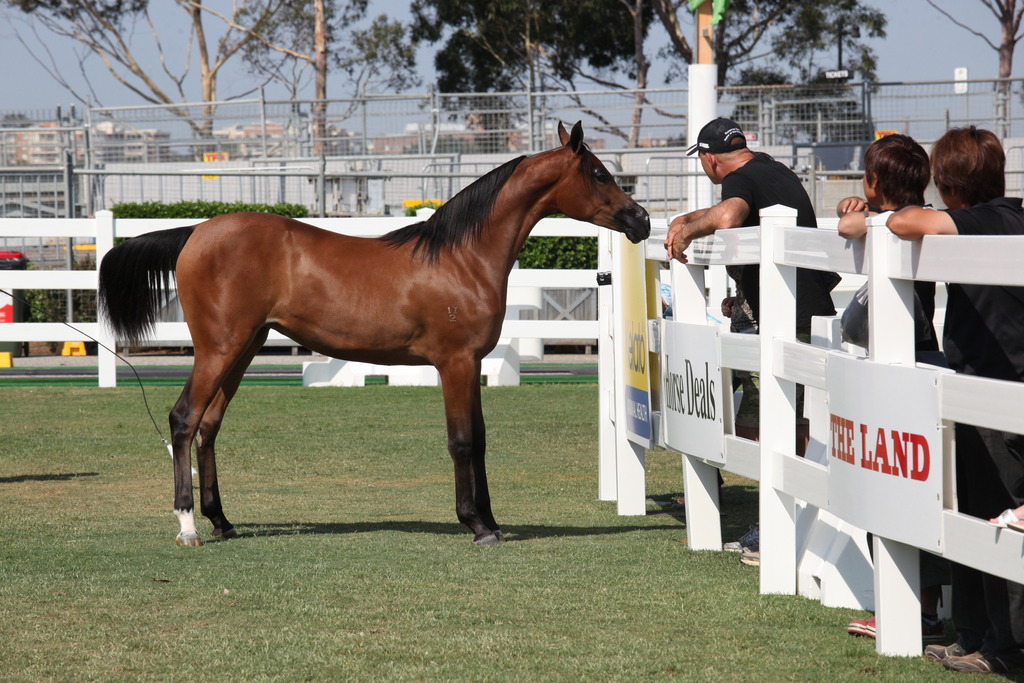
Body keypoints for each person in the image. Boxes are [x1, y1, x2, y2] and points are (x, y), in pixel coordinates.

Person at [664, 117, 838, 566]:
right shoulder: (775, 170)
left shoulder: (738, 179)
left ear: (708, 157)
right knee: (788, 423)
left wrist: (686, 227)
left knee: (782, 429)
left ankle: (781, 532)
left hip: (790, 318)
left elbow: (729, 217)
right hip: (808, 311)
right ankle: (785, 525)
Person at [883, 126, 1024, 674]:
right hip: (985, 389)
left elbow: (906, 221)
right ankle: (977, 635)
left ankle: (1004, 646)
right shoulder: (1011, 215)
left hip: (995, 392)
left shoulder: (982, 220)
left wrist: (879, 212)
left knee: (997, 516)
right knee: (977, 511)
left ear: (949, 185)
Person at [835, 133, 950, 647]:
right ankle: (918, 608)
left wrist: (854, 211)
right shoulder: (920, 218)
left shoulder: (893, 226)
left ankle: (915, 611)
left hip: (906, 359)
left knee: (895, 490)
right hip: (917, 362)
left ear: (875, 181)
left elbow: (848, 225)